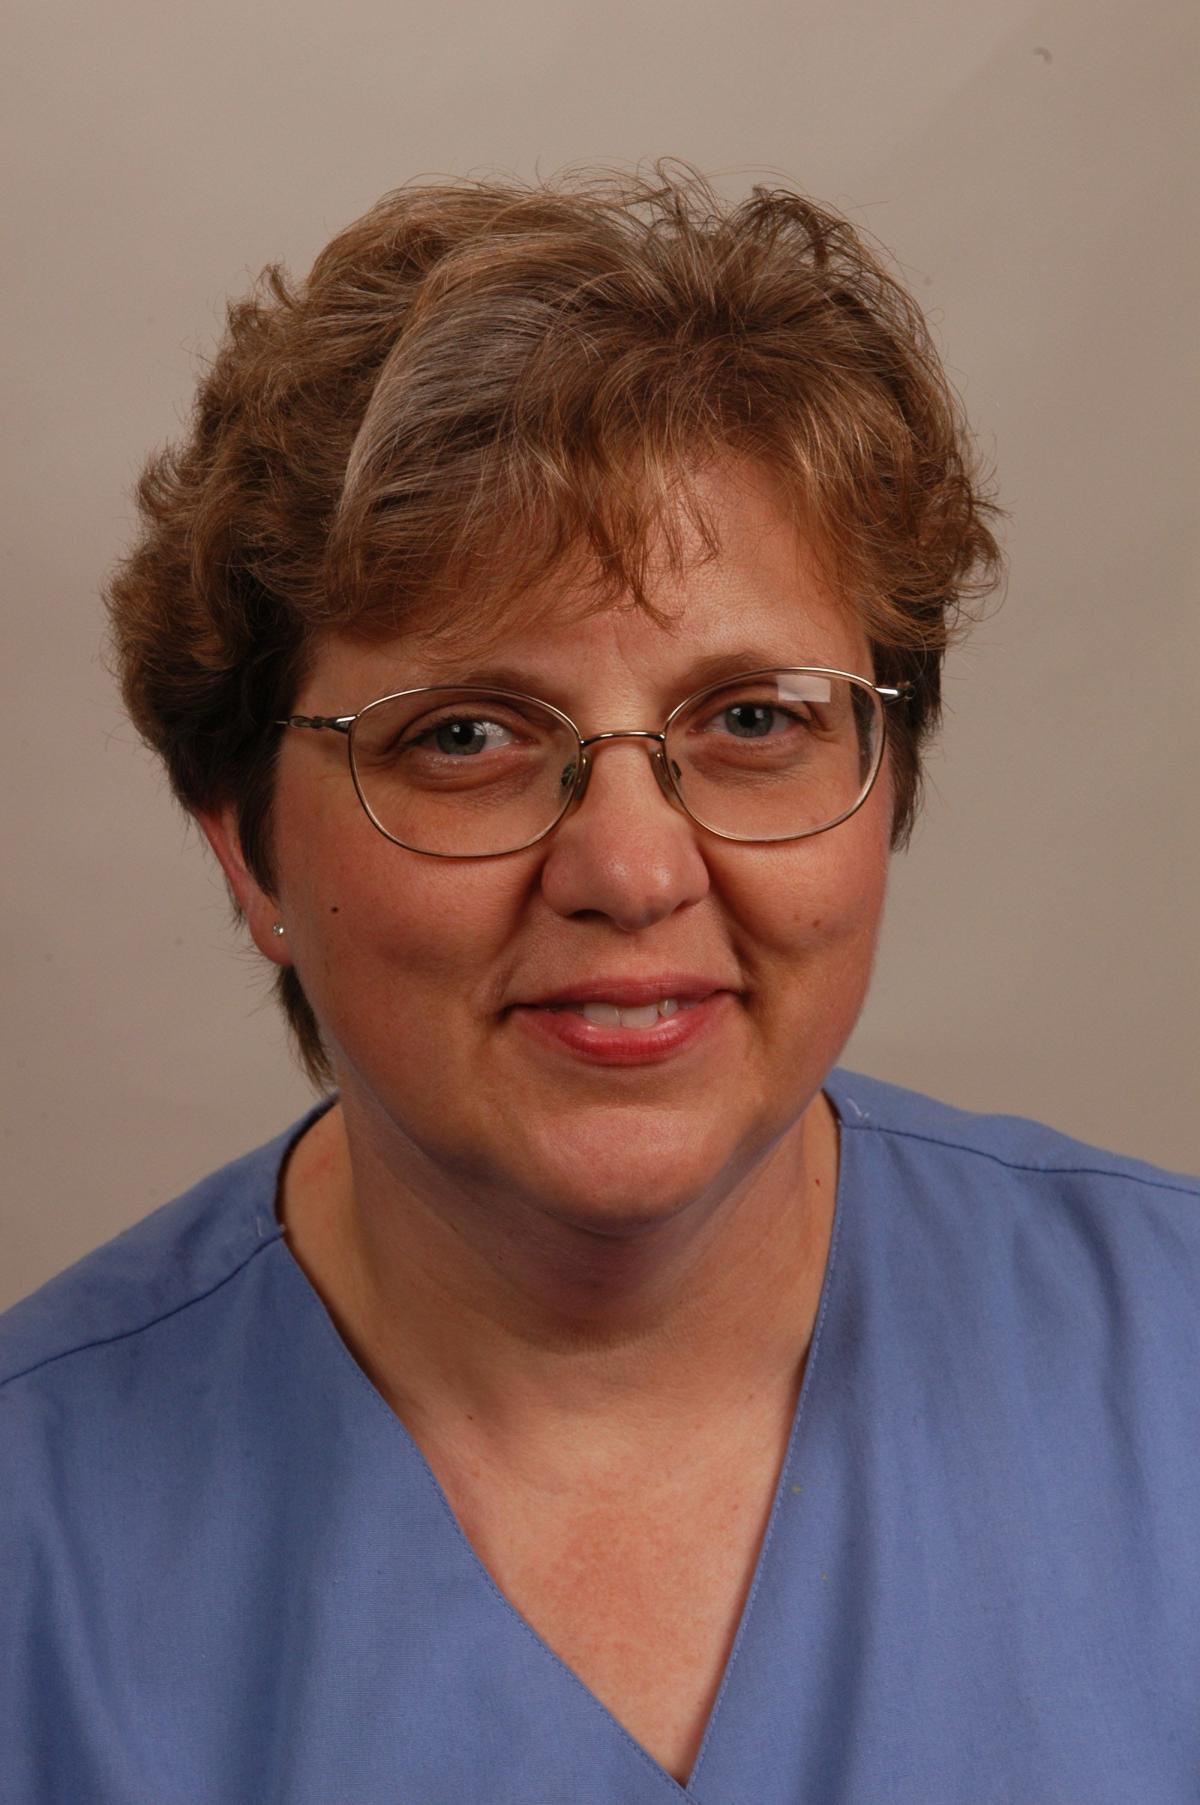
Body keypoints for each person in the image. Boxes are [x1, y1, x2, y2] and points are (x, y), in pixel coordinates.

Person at [2, 166, 1196, 1805]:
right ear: (246, 850)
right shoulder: (31, 1550)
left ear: (887, 778)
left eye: (755, 719)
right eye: (468, 736)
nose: (632, 871)